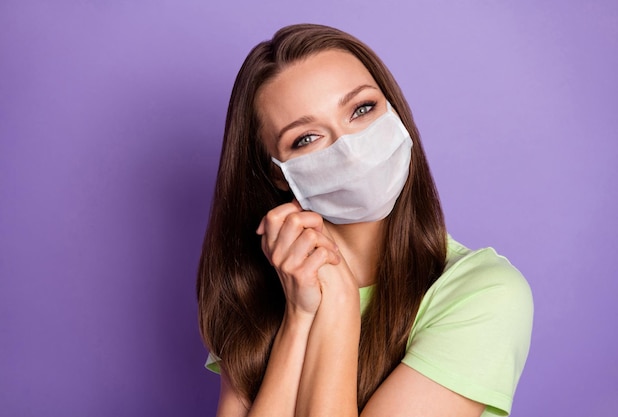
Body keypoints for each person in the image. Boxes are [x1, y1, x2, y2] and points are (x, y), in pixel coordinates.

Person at [196, 23, 533, 417]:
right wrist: (299, 316)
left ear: (394, 108)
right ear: (277, 172)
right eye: (305, 138)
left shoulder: (483, 292)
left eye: (362, 109)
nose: (350, 150)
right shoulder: (255, 287)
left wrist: (337, 304)